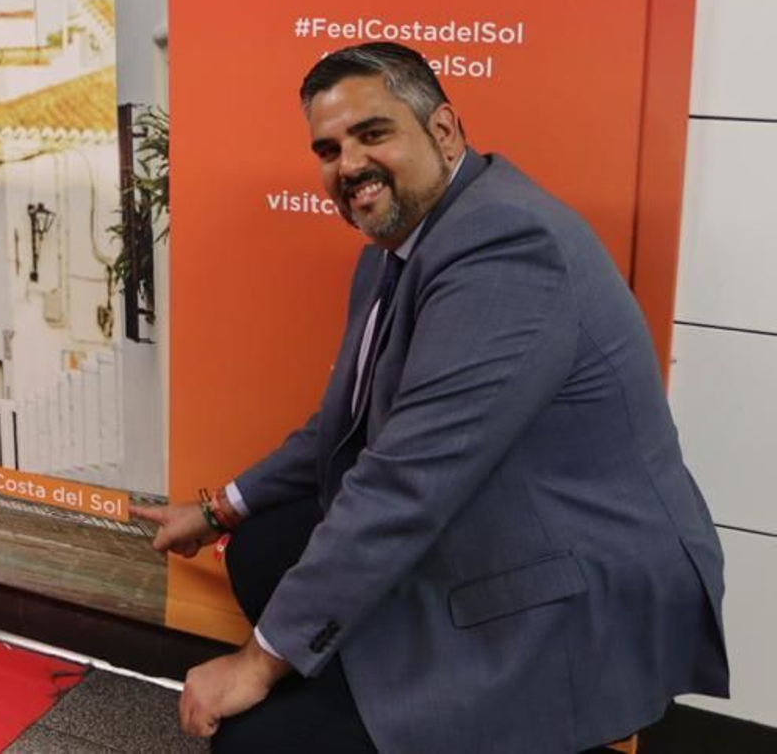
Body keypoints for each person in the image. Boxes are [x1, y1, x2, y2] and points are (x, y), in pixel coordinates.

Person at [132, 43, 727, 753]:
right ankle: (367, 684)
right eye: (328, 149)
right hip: (486, 510)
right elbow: (344, 424)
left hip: (572, 576)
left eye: (372, 133)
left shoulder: (506, 246)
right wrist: (219, 510)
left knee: (256, 744)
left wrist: (257, 663)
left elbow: (405, 482)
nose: (348, 164)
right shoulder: (399, 245)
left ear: (443, 131)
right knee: (261, 546)